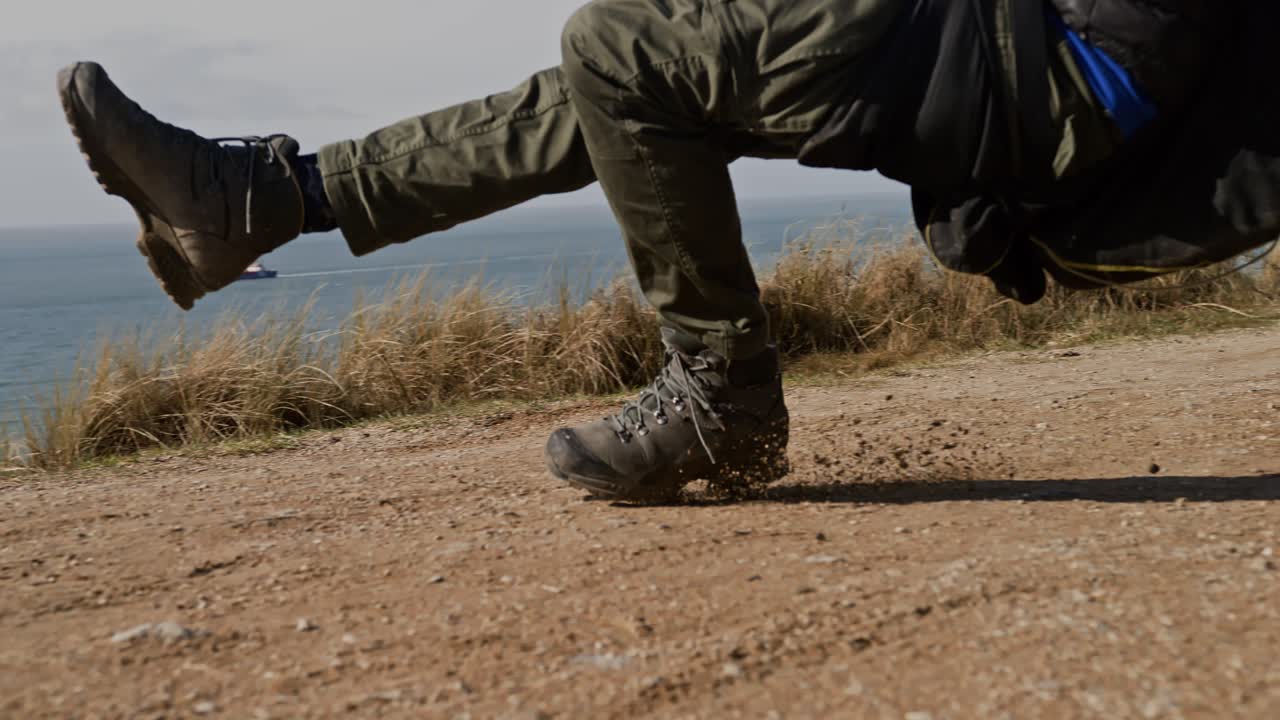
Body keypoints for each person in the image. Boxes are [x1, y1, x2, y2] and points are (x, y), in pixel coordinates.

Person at [57, 0, 1261, 501]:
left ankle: (722, 395)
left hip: (1058, 65)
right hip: (1025, 48)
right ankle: (255, 202)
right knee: (627, 68)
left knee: (628, 50)